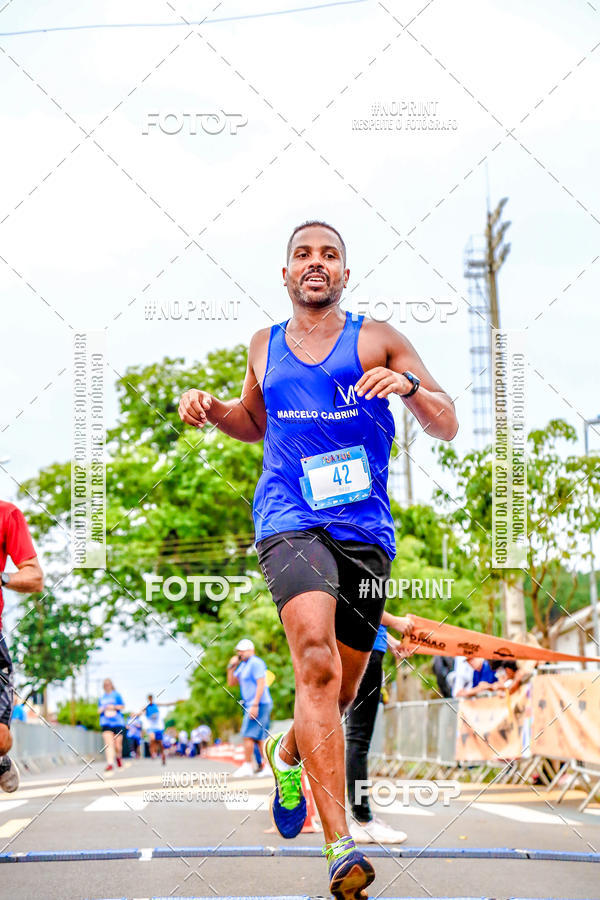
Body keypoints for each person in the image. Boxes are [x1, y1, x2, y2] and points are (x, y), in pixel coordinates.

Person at [179, 220, 458, 898]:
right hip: (288, 518)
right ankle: (339, 846)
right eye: (302, 253)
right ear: (284, 273)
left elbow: (445, 418)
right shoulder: (263, 346)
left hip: (363, 528)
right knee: (316, 661)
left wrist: (407, 386)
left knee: (350, 685)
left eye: (328, 254)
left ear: (344, 273)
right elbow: (254, 422)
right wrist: (216, 410)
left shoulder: (378, 338)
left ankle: (287, 750)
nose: (315, 262)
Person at [346, 611, 414, 844]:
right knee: (358, 739)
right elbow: (361, 602)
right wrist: (397, 623)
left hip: (364, 648)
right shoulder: (367, 574)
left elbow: (365, 615)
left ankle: (361, 817)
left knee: (356, 739)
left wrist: (391, 642)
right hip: (364, 653)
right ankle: (362, 820)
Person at [0, 500, 44, 794]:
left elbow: (35, 577)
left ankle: (0, 758)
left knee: (1, 737)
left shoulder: (7, 514)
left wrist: (2, 578)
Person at [226, 638, 273, 778]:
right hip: (250, 704)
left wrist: (255, 704)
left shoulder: (256, 663)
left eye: (242, 650)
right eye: (238, 651)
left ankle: (248, 765)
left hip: (259, 704)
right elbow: (232, 682)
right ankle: (268, 767)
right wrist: (231, 666)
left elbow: (261, 684)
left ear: (250, 650)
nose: (239, 653)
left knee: (247, 735)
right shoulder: (243, 665)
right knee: (259, 737)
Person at [98, 678, 125, 771]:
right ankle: (110, 763)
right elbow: (98, 710)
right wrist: (103, 708)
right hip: (105, 722)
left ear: (111, 685)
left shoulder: (116, 695)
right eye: (105, 684)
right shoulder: (101, 698)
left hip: (117, 722)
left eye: (108, 684)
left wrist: (113, 707)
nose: (106, 686)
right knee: (109, 744)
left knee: (117, 745)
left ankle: (118, 757)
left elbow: (122, 706)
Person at [144, 695, 166, 764]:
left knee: (160, 743)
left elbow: (166, 704)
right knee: (152, 739)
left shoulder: (155, 705)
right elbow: (141, 712)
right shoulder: (146, 707)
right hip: (151, 727)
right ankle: (153, 753)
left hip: (158, 727)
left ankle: (162, 755)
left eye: (151, 698)